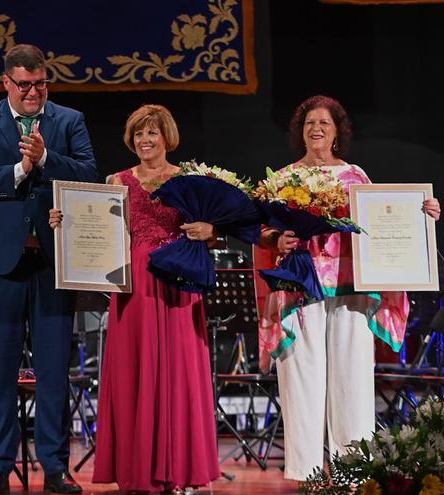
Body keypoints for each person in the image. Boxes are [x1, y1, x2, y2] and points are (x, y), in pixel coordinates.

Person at [256, 95, 441, 480]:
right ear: (300, 132)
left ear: (337, 131)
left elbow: (382, 218)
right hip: (299, 288)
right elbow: (263, 230)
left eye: (324, 122)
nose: (316, 129)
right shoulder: (282, 178)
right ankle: (305, 474)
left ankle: (353, 472)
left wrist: (421, 212)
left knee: (352, 379)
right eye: (309, 124)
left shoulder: (355, 175)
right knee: (301, 379)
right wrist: (278, 241)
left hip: (351, 288)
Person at [50, 104, 221, 493]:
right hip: (133, 286)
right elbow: (97, 227)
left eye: (152, 133)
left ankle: (181, 470)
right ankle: (139, 470)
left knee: (179, 370)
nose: (145, 140)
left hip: (177, 282)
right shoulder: (117, 179)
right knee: (134, 369)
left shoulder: (190, 179)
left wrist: (208, 229)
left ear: (167, 137)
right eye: (139, 134)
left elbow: (216, 229)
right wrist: (66, 221)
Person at [0, 43, 98, 495]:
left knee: (55, 370)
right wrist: (19, 168)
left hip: (54, 263)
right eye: (24, 85)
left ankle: (55, 466)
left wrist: (47, 159)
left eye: (40, 84)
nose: (33, 92)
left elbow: (90, 174)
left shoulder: (69, 121)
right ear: (7, 83)